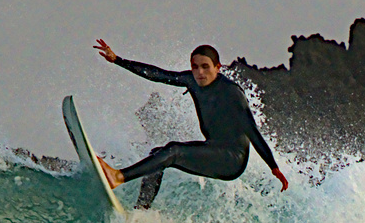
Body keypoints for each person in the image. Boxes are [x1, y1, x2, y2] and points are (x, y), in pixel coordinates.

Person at [93, 39, 288, 208]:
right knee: (158, 155)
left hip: (231, 160)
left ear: (217, 67)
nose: (200, 72)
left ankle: (118, 177)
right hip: (213, 148)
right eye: (195, 66)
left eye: (205, 66)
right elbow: (158, 74)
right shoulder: (192, 80)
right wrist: (118, 60)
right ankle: (142, 207)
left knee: (174, 150)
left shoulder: (232, 93)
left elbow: (252, 131)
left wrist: (274, 167)